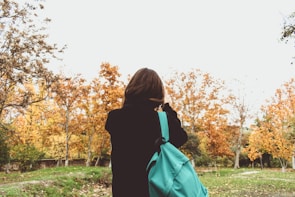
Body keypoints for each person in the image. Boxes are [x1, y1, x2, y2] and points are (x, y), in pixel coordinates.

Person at [105, 68, 188, 197]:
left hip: (123, 191)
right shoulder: (162, 122)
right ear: (157, 93)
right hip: (155, 191)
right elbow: (181, 137)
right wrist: (167, 105)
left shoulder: (115, 118)